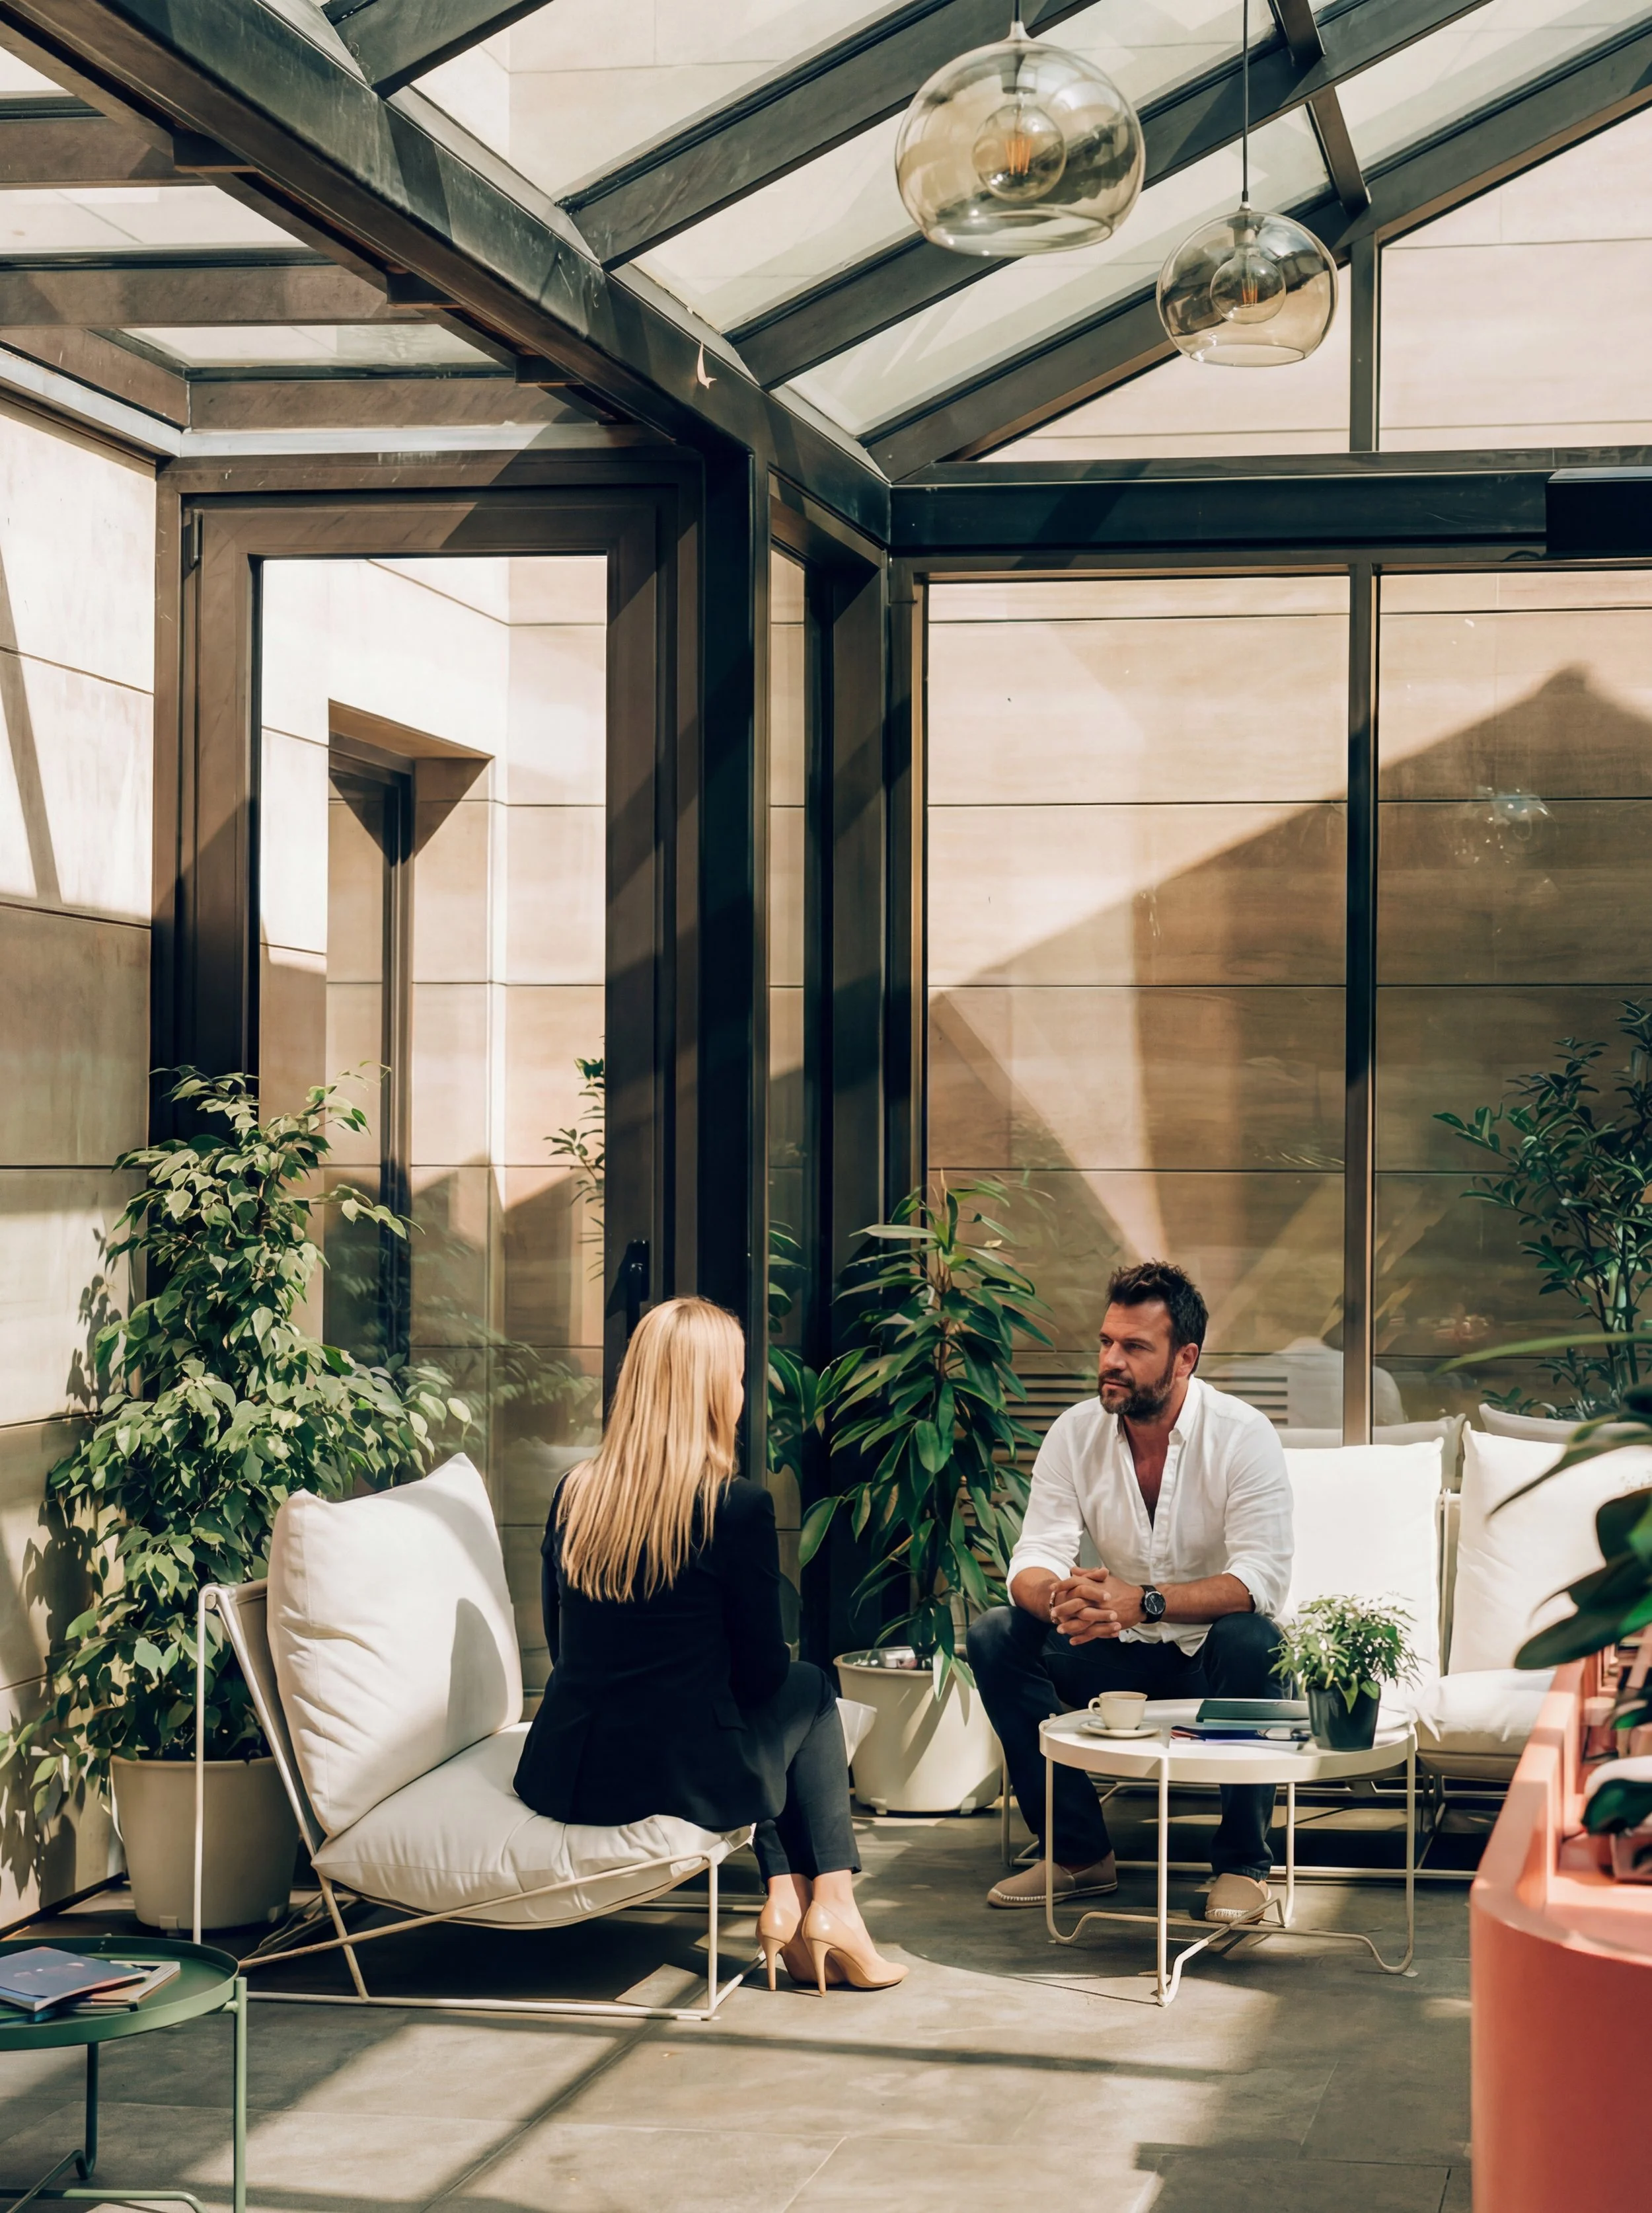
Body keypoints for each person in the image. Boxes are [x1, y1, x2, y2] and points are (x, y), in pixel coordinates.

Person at [512, 1295, 905, 1996]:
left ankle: (787, 1894)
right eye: (738, 1375)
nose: (743, 1390)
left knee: (775, 1700)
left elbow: (561, 1643)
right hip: (677, 1777)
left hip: (569, 1772)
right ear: (709, 1390)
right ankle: (830, 1905)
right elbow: (759, 1677)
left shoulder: (574, 1493)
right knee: (809, 1689)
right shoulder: (737, 1506)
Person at [969, 1261, 1294, 1925]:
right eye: (1106, 1342)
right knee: (997, 1633)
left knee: (1254, 1640)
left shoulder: (1241, 1436)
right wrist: (1060, 1599)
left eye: (1134, 1347)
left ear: (1185, 1359)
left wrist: (1142, 1600)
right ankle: (1078, 1855)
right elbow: (1033, 1556)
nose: (1110, 1361)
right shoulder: (1074, 1431)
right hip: (1114, 1651)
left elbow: (1259, 1580)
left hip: (1207, 1656)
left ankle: (1242, 1865)